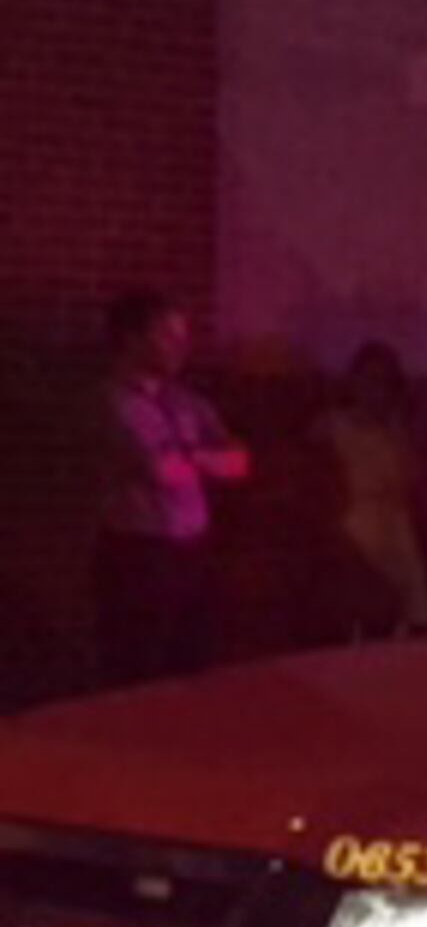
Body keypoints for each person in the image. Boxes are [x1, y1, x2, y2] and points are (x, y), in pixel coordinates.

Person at [92, 289, 251, 685]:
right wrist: (202, 460)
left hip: (191, 549)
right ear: (131, 338)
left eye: (183, 336)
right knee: (137, 668)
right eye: (167, 336)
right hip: (140, 553)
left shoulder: (187, 402)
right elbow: (163, 471)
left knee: (193, 665)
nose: (181, 347)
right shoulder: (115, 402)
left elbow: (241, 462)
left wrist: (193, 457)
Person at [313, 341, 427, 639]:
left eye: (383, 382)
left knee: (408, 614)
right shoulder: (331, 426)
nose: (375, 390)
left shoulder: (394, 431)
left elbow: (410, 480)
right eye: (369, 380)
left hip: (395, 530)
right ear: (354, 382)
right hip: (354, 527)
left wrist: (398, 434)